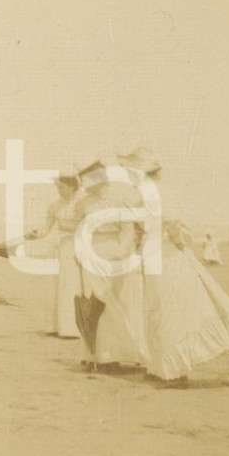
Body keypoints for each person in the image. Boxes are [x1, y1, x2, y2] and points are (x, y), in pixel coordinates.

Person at [129, 152, 229, 385]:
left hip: (163, 254)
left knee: (167, 308)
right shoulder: (146, 195)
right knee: (160, 307)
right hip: (156, 255)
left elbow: (170, 224)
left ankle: (172, 368)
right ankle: (161, 366)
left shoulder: (153, 195)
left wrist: (179, 244)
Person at [73, 157, 148, 370]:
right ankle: (96, 355)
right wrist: (78, 252)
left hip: (117, 253)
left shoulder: (119, 197)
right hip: (92, 254)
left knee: (119, 302)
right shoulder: (83, 202)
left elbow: (127, 227)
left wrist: (121, 253)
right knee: (98, 303)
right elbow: (79, 230)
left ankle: (115, 353)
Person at [26, 173, 82, 338]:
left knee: (72, 285)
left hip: (78, 245)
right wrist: (36, 234)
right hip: (60, 247)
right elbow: (47, 228)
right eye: (57, 187)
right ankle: (56, 326)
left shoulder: (82, 204)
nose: (59, 190)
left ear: (73, 187)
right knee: (55, 284)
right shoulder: (55, 205)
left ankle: (72, 328)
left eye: (62, 187)